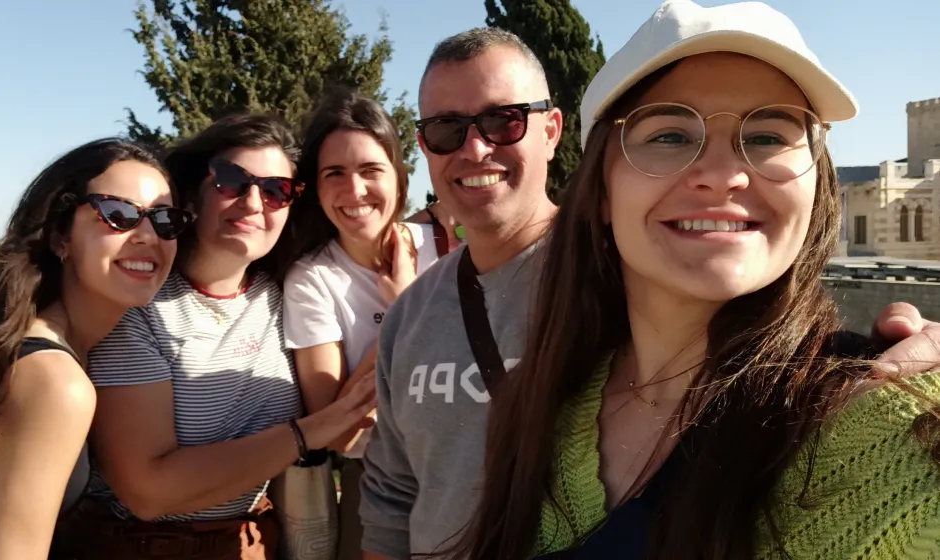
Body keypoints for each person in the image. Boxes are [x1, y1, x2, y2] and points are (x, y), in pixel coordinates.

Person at [359, 22, 940, 560]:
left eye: (767, 134)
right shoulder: (556, 401)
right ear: (604, 190)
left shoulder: (889, 427)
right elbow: (390, 493)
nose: (723, 172)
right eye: (668, 134)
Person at [80, 113, 376, 559]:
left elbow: (344, 425)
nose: (255, 203)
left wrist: (411, 291)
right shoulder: (139, 308)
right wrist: (303, 435)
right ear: (194, 194)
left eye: (277, 191)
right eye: (232, 180)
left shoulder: (284, 297)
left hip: (254, 543)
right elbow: (148, 490)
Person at [0, 138, 188, 559]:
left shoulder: (12, 340)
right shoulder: (55, 384)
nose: (148, 235)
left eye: (165, 220)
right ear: (61, 235)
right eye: (118, 215)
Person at [279, 88, 447, 560]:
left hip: (476, 464)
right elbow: (339, 432)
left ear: (398, 176)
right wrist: (404, 313)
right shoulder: (313, 280)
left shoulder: (451, 245)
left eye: (371, 170)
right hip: (379, 484)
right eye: (335, 173)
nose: (354, 191)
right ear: (314, 187)